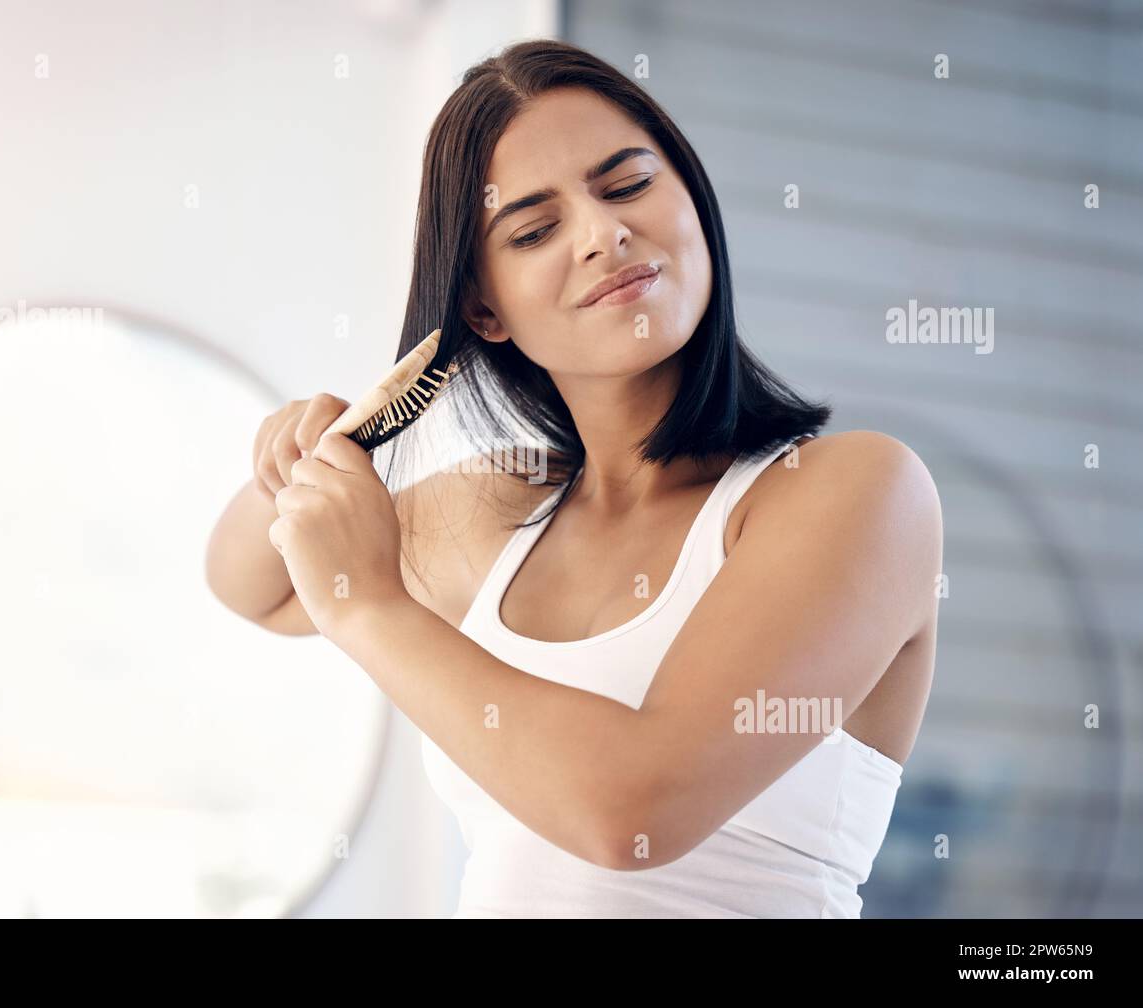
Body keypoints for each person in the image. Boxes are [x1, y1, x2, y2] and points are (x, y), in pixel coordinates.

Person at [206, 39, 941, 918]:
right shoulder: (500, 513)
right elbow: (252, 585)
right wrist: (300, 459)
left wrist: (370, 604)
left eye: (627, 185)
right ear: (483, 308)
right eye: (533, 230)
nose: (603, 233)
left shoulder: (853, 491)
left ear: (692, 201)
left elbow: (632, 810)